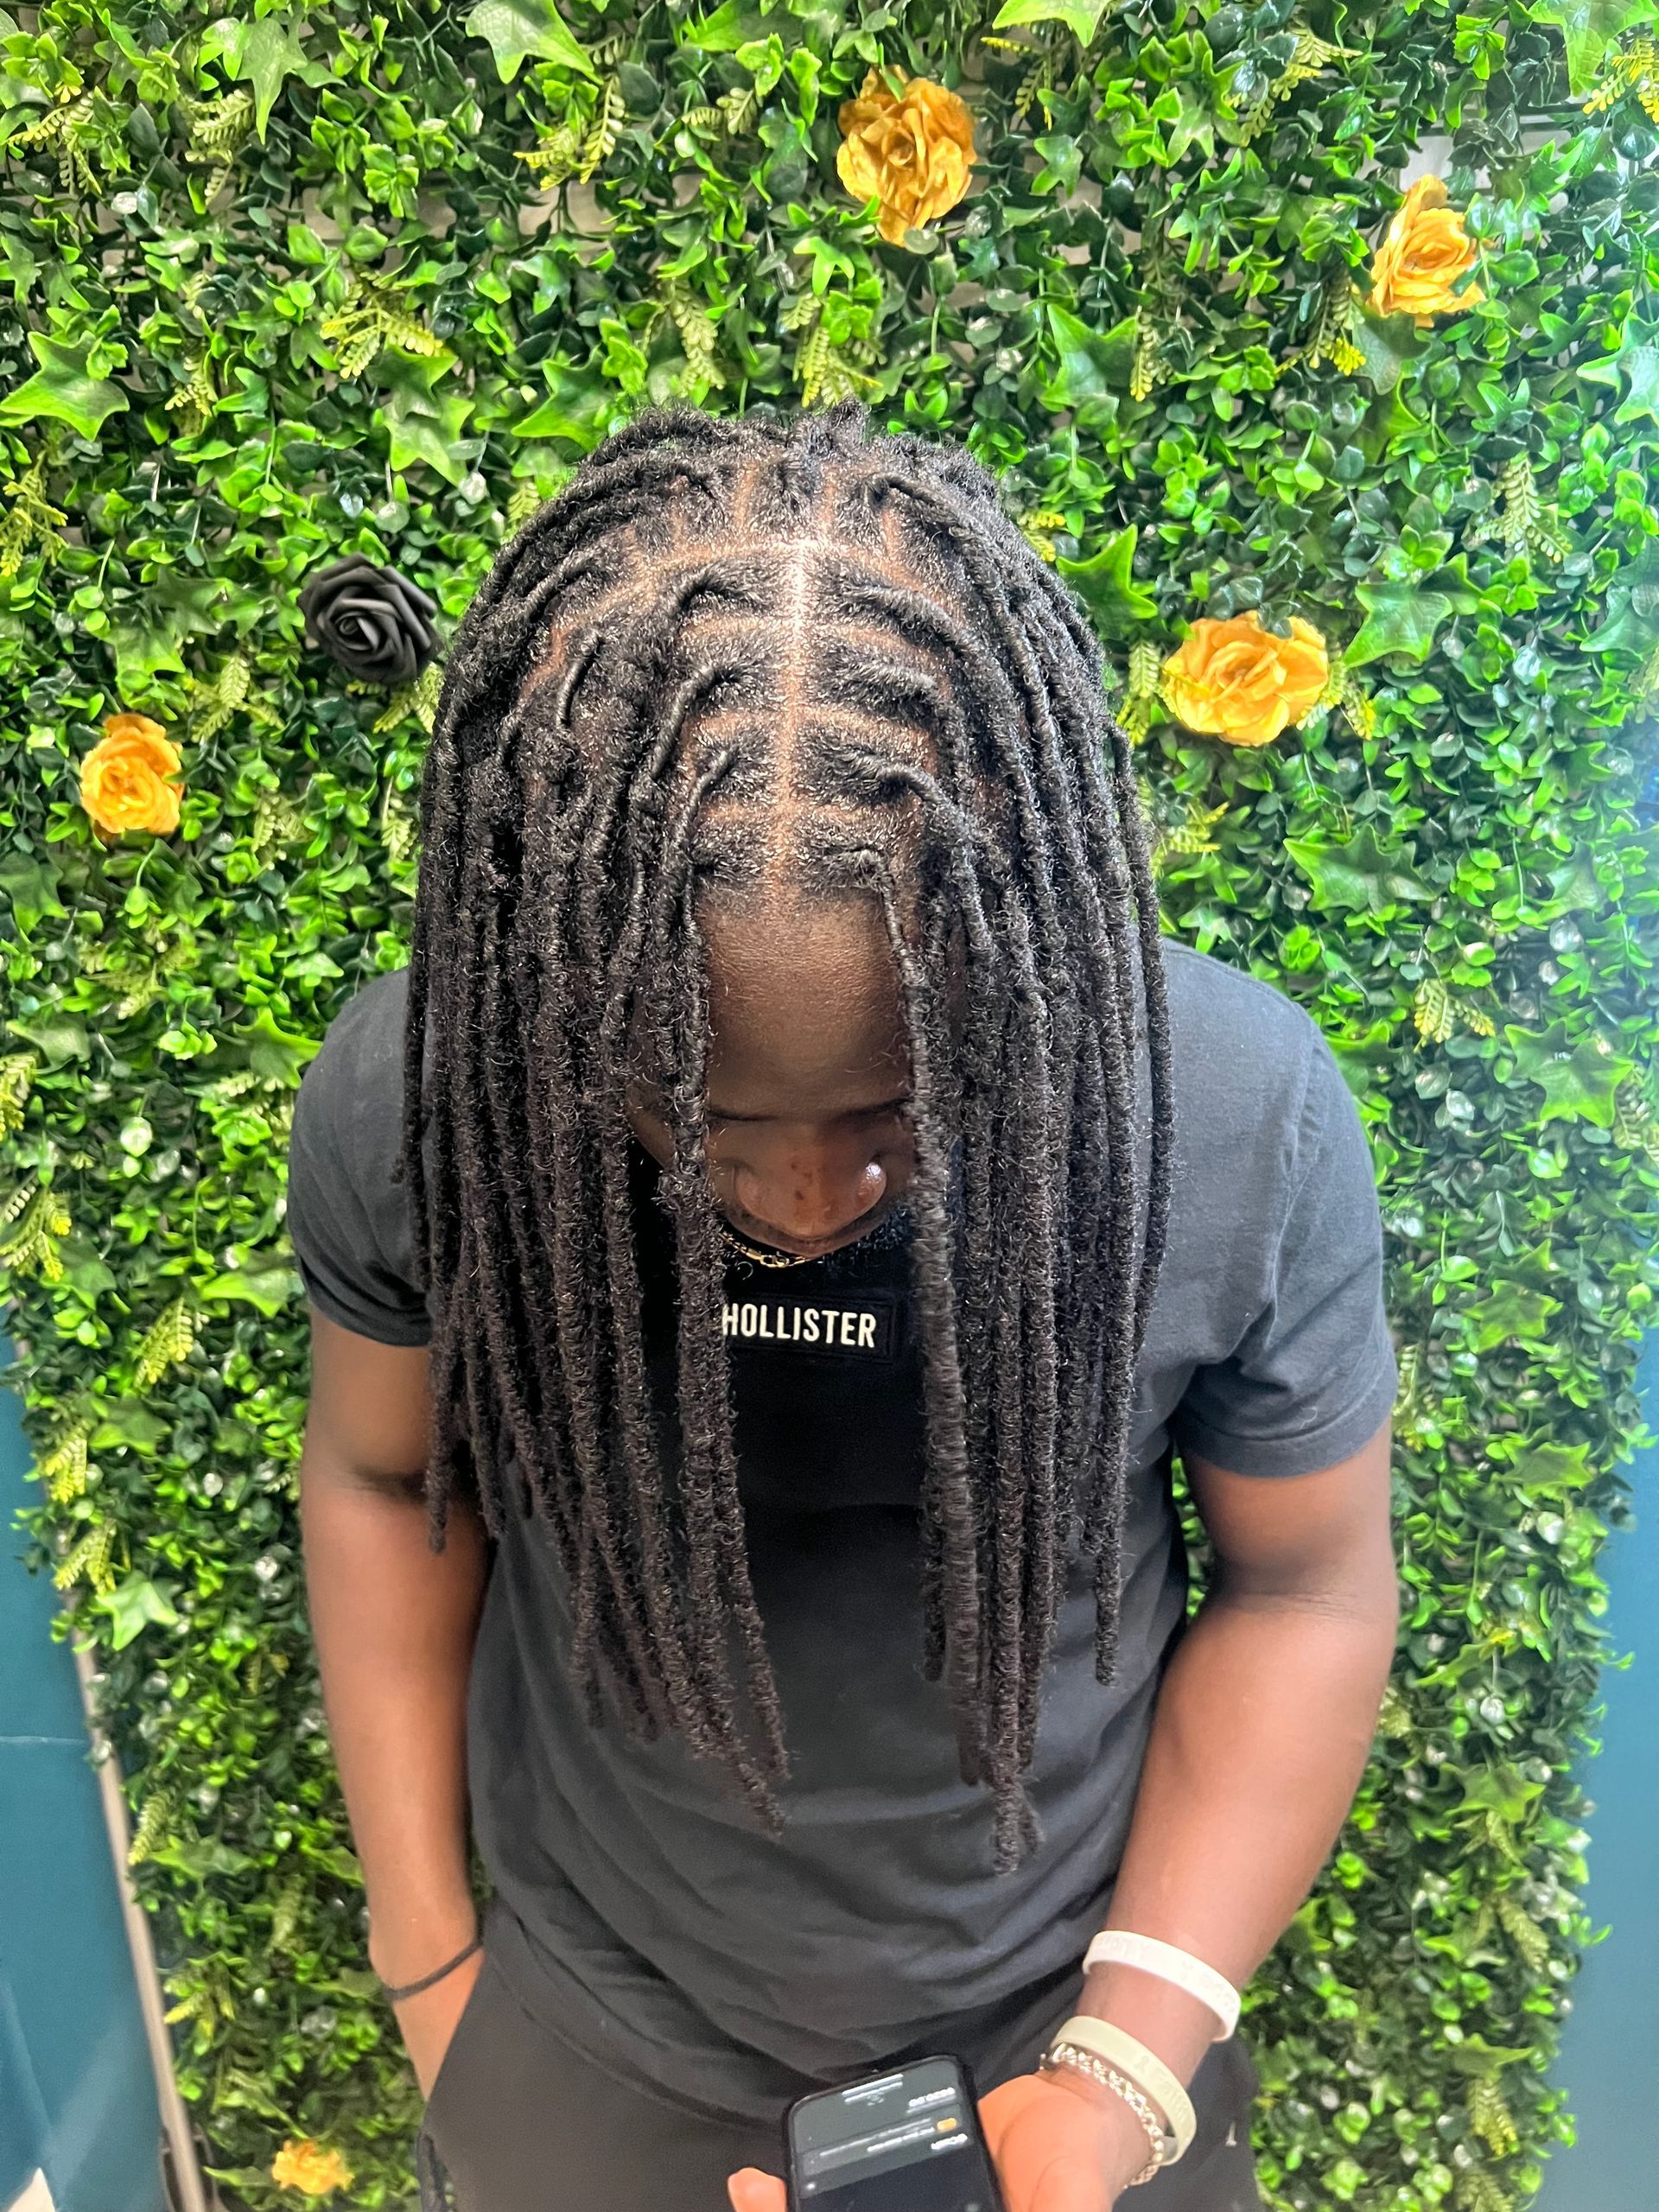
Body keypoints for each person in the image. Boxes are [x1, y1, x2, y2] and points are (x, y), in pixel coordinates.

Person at [289, 400, 1400, 2212]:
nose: (809, 1197)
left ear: (1025, 946)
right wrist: (430, 1974)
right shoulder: (430, 1106)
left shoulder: (1229, 1116)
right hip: (589, 2036)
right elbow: (382, 1478)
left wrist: (1125, 2061)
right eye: (707, 1123)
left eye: (901, 1111)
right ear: (562, 1000)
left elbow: (1309, 1581)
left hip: (1072, 2034)